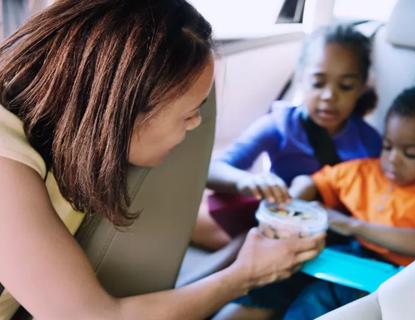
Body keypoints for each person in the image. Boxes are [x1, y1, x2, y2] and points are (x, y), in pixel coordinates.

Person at [0, 1, 325, 319]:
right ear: (125, 109)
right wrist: (244, 276)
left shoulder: (56, 141)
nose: (197, 122)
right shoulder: (6, 171)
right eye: (189, 114)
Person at [193, 24, 383, 251]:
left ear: (362, 87)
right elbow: (212, 170)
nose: (330, 96)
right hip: (275, 221)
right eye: (318, 82)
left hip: (333, 232)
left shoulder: (370, 142)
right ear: (301, 78)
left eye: (346, 86)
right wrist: (247, 181)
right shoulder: (280, 125)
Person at [284, 86, 415, 319]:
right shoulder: (367, 171)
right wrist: (293, 199)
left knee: (322, 299)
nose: (392, 160)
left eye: (410, 154)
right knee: (305, 294)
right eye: (387, 146)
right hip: (354, 258)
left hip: (408, 274)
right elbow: (312, 182)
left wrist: (351, 225)